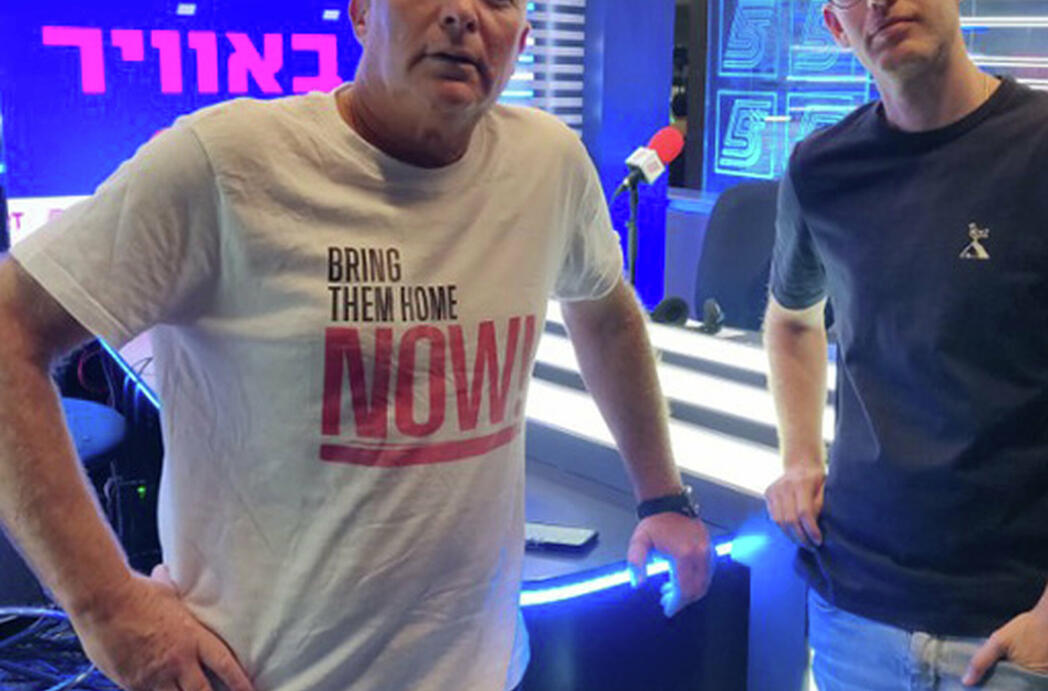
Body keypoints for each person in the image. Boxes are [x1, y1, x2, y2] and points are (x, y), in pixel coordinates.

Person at [0, 1, 713, 689]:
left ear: (523, 38)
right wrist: (106, 608)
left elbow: (606, 311)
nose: (463, 13)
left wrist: (662, 495)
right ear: (361, 12)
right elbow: (10, 328)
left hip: (486, 670)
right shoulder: (227, 164)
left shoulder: (549, 163)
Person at [762, 0, 1048, 688]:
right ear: (837, 28)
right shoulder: (820, 168)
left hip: (1011, 622)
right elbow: (790, 319)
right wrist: (800, 456)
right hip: (853, 609)